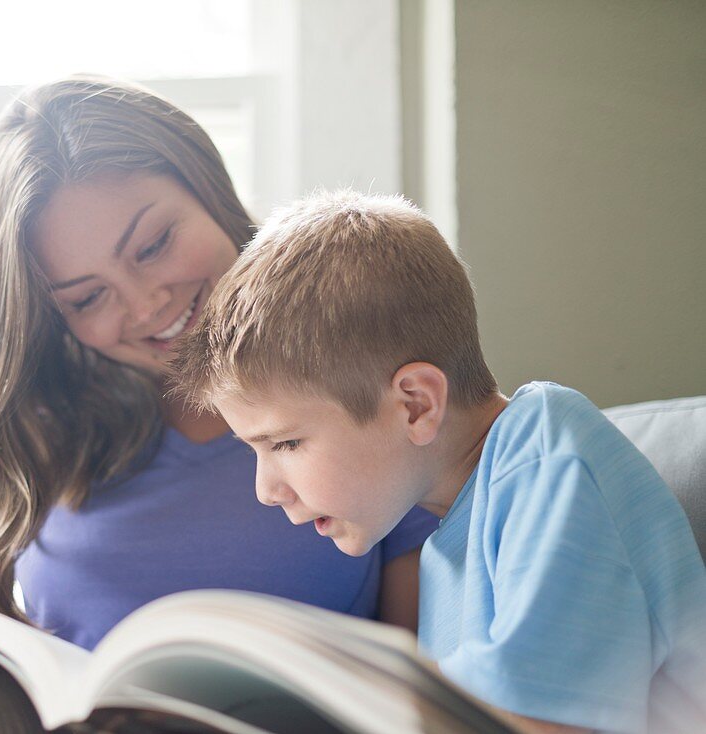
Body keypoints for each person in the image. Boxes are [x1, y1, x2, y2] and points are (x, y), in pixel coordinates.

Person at [0, 77, 437, 732]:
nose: (144, 303)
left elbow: (417, 678)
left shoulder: (363, 385)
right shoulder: (40, 427)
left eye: (154, 244)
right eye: (87, 297)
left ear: (209, 188)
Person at [173, 189, 706, 733]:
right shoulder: (451, 539)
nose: (266, 489)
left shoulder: (548, 461)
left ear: (416, 404)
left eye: (284, 444)